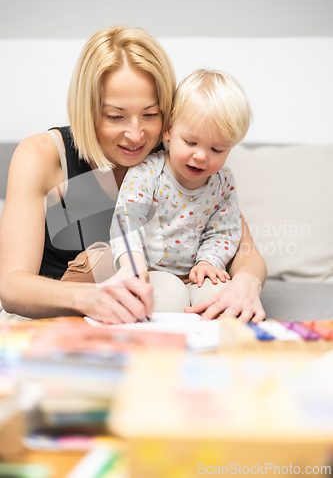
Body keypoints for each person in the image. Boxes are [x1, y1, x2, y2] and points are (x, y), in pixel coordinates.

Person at [0, 25, 266, 324]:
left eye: (151, 114)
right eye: (115, 116)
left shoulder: (175, 157)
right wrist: (93, 297)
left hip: (138, 324)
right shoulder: (42, 156)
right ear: (86, 110)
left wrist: (247, 284)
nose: (136, 134)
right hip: (52, 321)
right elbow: (12, 286)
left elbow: (241, 245)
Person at [110, 69, 247, 314]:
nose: (201, 156)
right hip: (150, 271)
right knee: (168, 300)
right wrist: (132, 263)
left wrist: (209, 262)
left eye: (217, 149)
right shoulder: (148, 171)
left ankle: (210, 346)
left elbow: (224, 230)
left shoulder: (223, 182)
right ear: (169, 130)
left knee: (222, 299)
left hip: (196, 272)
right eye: (191, 142)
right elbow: (127, 220)